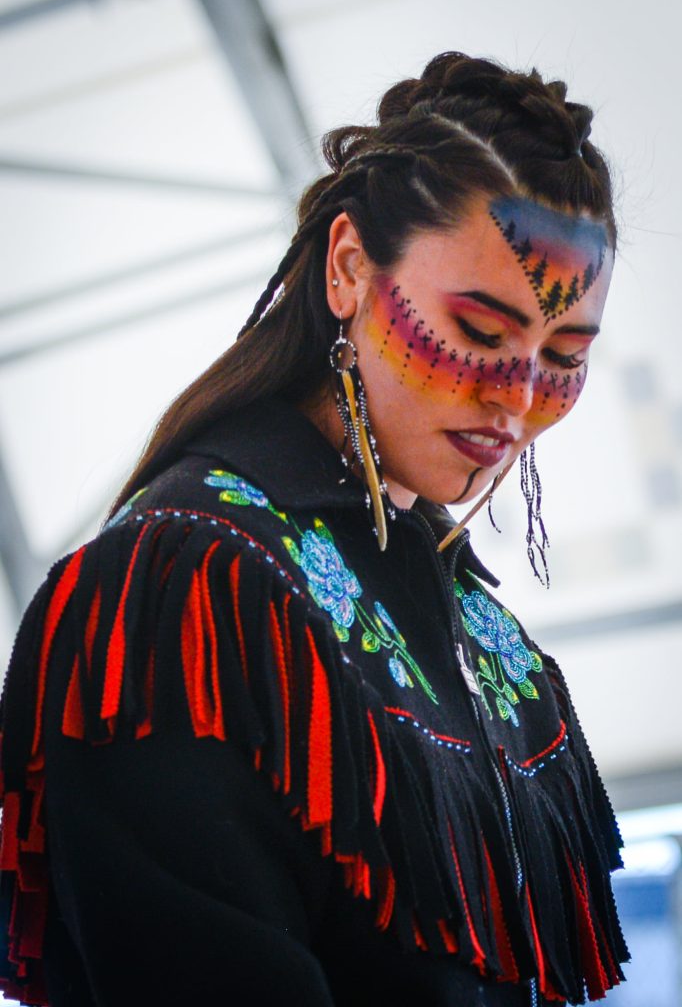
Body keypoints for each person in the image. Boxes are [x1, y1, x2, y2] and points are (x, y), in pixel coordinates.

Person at [0, 52, 629, 1006]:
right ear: (347, 268)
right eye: (482, 331)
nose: (517, 397)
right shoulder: (181, 591)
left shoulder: (474, 626)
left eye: (562, 356)